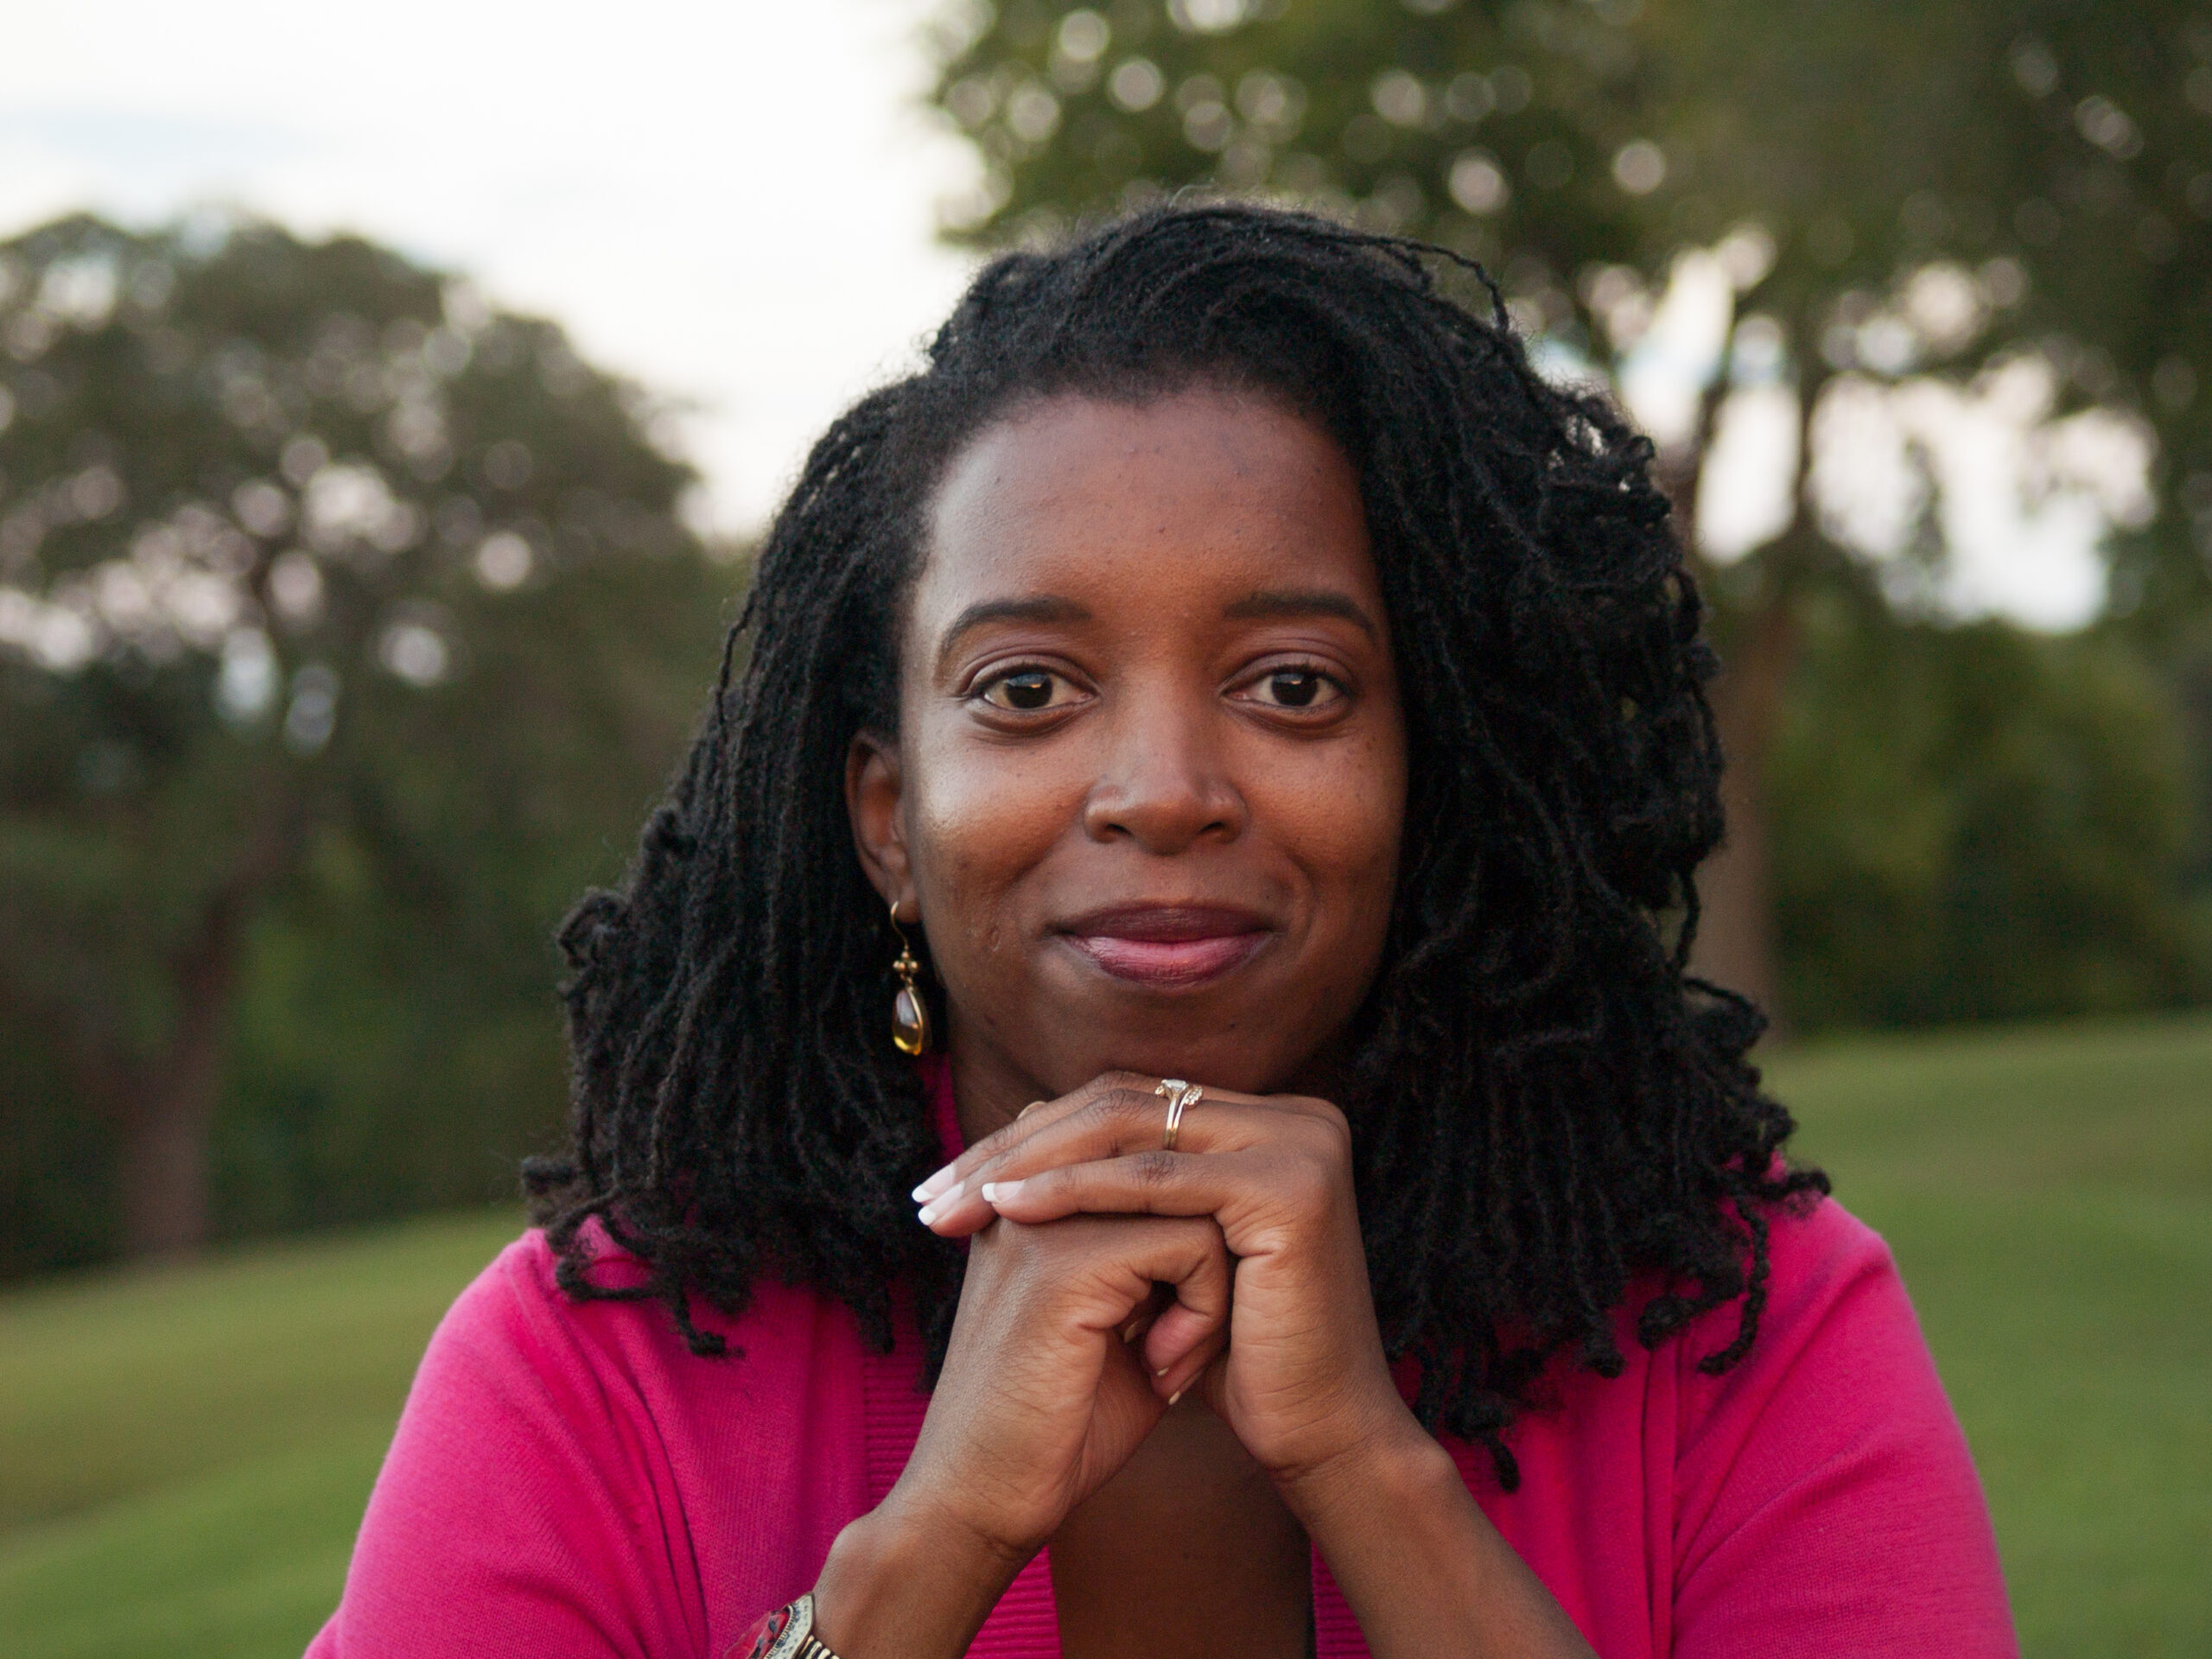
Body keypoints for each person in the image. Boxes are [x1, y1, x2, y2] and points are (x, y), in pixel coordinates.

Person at [306, 205, 2016, 1659]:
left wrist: (1371, 1471)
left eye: (1294, 685)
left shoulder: (1742, 1325)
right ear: (889, 817)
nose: (1164, 793)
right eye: (1026, 689)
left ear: (1433, 771)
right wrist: (931, 1548)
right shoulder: (590, 1372)